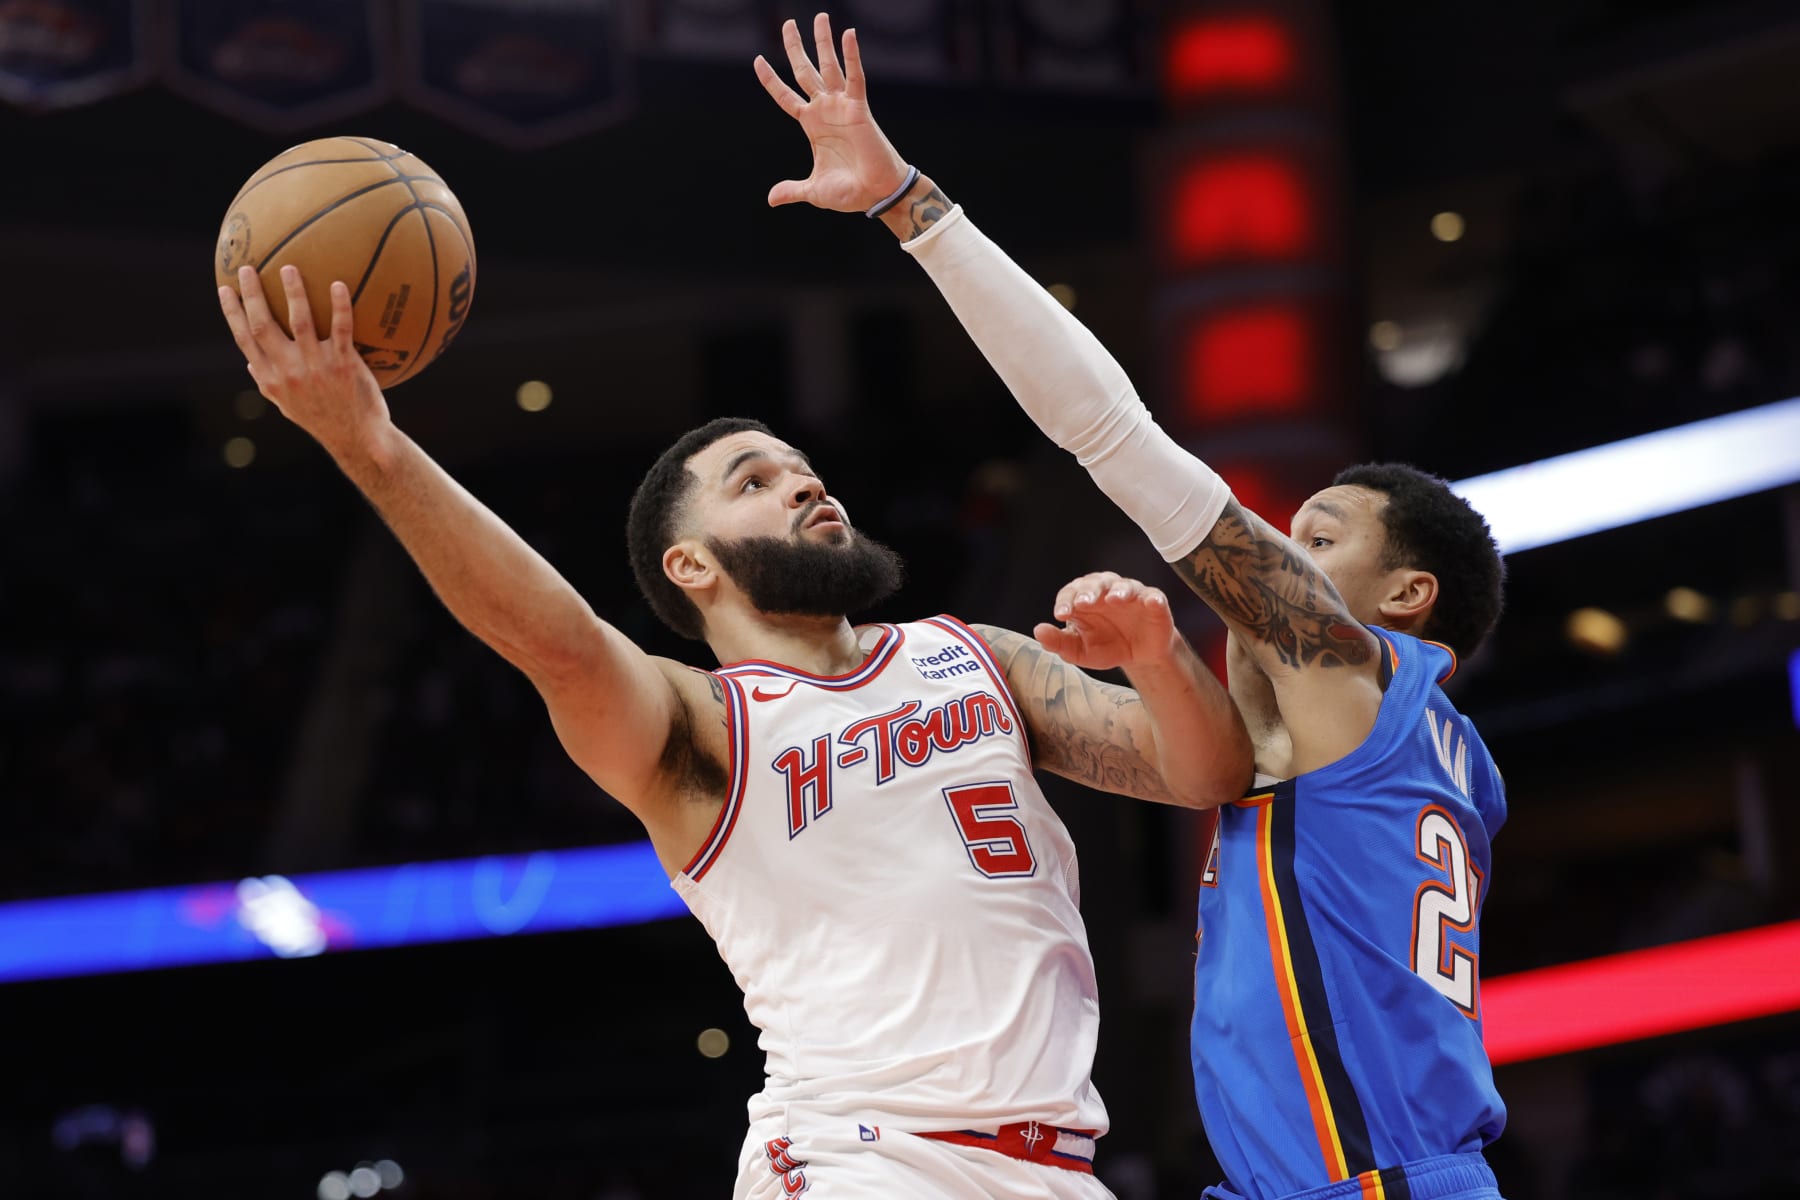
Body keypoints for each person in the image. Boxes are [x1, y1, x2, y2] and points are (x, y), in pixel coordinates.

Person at [215, 259, 1253, 1197]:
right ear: (691, 565)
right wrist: (372, 446)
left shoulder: (980, 655)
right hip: (861, 1157)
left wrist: (1158, 658)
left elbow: (1206, 775)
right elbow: (561, 644)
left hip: (1054, 1167)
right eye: (752, 483)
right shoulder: (699, 727)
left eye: (802, 468)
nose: (805, 482)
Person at [757, 13, 1511, 1200]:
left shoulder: (1354, 678)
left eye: (1316, 539)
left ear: (1406, 600)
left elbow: (1109, 431)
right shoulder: (1433, 762)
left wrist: (910, 203)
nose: (1278, 551)